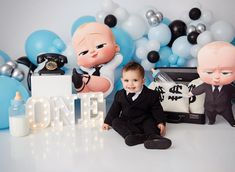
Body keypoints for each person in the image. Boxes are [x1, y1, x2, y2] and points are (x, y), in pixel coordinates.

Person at [102, 61, 172, 149]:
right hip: (128, 121)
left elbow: (157, 110)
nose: (130, 84)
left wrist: (161, 122)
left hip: (144, 120)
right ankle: (131, 137)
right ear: (122, 80)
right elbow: (114, 109)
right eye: (126, 80)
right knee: (115, 122)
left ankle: (153, 137)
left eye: (135, 80)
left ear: (143, 81)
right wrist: (107, 122)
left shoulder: (151, 95)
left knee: (150, 123)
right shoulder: (119, 95)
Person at [190, 41, 235, 127]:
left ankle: (232, 123)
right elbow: (198, 89)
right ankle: (211, 121)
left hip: (225, 108)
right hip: (209, 107)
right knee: (210, 116)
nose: (217, 77)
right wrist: (190, 93)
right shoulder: (206, 85)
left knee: (229, 116)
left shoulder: (229, 87)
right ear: (199, 70)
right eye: (209, 72)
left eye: (225, 73)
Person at [72, 22, 123, 97]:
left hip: (106, 85)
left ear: (116, 47)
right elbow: (82, 65)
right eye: (84, 52)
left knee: (101, 82)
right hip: (92, 93)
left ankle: (82, 78)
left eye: (100, 46)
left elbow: (119, 57)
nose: (92, 51)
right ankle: (79, 84)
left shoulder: (110, 65)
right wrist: (81, 62)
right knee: (84, 92)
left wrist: (114, 51)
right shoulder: (89, 70)